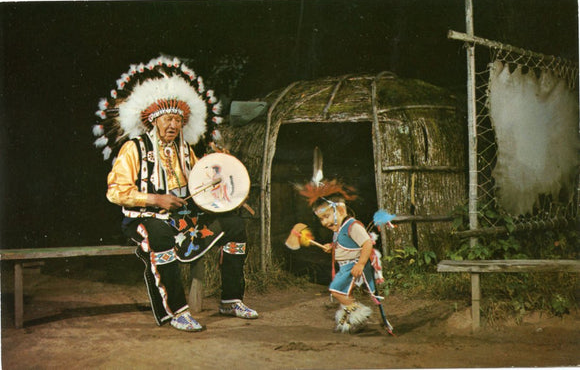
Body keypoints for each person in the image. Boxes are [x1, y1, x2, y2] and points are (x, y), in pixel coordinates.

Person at [93, 55, 258, 332]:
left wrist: (217, 167)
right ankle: (177, 312)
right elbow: (116, 192)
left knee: (235, 225)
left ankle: (231, 299)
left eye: (179, 120)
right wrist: (156, 199)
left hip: (183, 218)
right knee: (159, 235)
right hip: (145, 218)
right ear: (155, 120)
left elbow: (201, 180)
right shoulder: (134, 149)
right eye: (168, 119)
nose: (173, 125)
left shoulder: (185, 150)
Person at [299, 179, 383, 333]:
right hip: (345, 267)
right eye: (321, 219)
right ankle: (348, 321)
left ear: (341, 211)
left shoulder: (353, 226)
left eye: (327, 216)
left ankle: (359, 314)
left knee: (336, 291)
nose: (324, 223)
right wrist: (331, 247)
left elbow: (367, 244)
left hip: (354, 265)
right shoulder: (339, 230)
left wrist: (360, 264)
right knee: (345, 294)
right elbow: (346, 245)